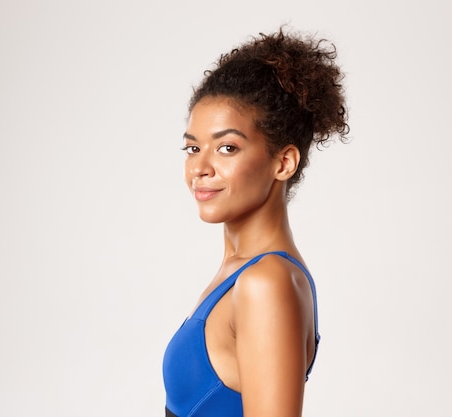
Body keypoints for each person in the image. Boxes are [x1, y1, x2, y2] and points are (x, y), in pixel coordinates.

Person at [162, 27, 349, 417]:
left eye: (227, 147)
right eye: (193, 147)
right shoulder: (243, 271)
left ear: (283, 163)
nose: (199, 167)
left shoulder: (267, 283)